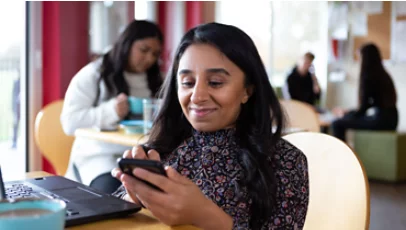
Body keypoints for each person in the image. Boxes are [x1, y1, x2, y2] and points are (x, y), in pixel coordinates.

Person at [111, 22, 309, 229]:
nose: (197, 96)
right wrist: (134, 196)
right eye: (187, 82)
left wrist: (204, 214)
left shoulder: (285, 161)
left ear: (247, 91)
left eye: (215, 82)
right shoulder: (165, 150)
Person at [60, 20, 164, 193]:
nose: (149, 59)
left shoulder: (158, 78)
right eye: (144, 50)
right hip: (100, 157)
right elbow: (69, 122)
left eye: (155, 54)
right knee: (116, 196)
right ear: (127, 44)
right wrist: (111, 111)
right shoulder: (94, 74)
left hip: (144, 155)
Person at [332, 43, 398, 142]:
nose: (358, 61)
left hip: (381, 121)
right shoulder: (383, 74)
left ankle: (342, 156)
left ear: (366, 58)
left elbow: (363, 109)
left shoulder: (368, 76)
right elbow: (368, 106)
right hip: (392, 119)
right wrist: (348, 113)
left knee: (336, 124)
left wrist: (346, 114)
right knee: (345, 118)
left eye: (359, 57)